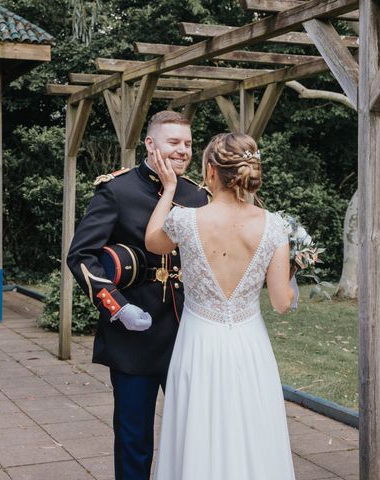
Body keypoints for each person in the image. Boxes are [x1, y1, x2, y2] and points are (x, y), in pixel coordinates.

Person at [145, 132, 297, 480]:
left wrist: (169, 189)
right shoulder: (274, 227)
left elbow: (152, 241)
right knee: (252, 430)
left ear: (210, 172)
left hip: (199, 342)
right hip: (250, 345)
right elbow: (280, 302)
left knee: (198, 426)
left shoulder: (186, 220)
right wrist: (292, 274)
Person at [66, 111, 209, 480]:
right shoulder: (117, 190)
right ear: (150, 143)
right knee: (134, 438)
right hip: (134, 335)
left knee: (193, 436)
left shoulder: (199, 195)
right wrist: (118, 307)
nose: (182, 150)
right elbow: (81, 256)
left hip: (188, 334)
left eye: (188, 144)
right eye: (173, 142)